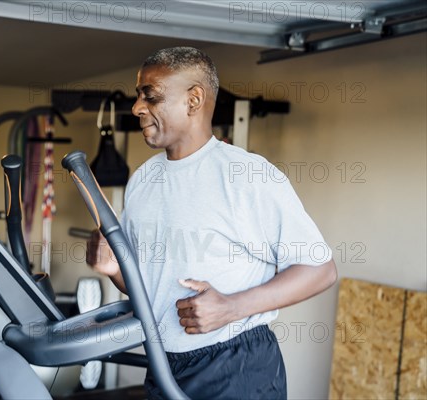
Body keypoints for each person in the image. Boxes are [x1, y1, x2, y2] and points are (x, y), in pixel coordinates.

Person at [87, 47, 337, 399]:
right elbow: (150, 291)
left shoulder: (247, 174)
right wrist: (113, 270)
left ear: (193, 100)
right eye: (138, 97)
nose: (137, 108)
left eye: (150, 97)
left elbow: (320, 269)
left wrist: (233, 307)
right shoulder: (143, 181)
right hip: (164, 363)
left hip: (237, 364)